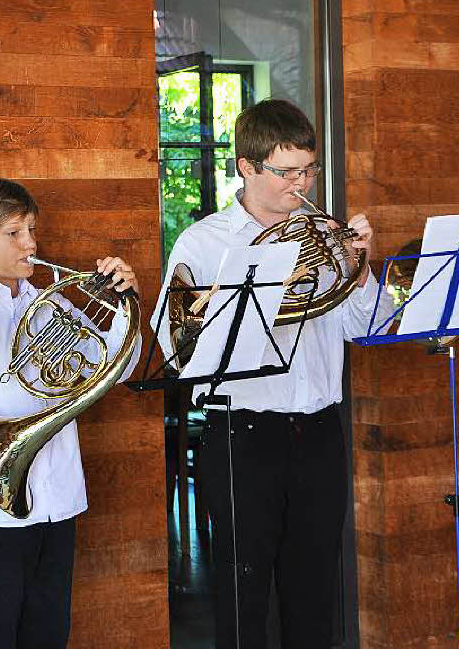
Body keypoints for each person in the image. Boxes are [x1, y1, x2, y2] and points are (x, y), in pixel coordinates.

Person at [152, 98, 391, 648]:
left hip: (320, 431)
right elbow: (174, 341)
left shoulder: (326, 235)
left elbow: (366, 327)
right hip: (243, 434)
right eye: (286, 172)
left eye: (308, 169)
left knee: (314, 592)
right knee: (244, 595)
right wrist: (219, 305)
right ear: (247, 167)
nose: (300, 183)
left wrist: (360, 268)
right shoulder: (205, 241)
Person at [0, 177, 141, 649]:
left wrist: (126, 306)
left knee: (47, 635)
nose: (31, 244)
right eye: (13, 233)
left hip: (56, 501)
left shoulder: (49, 304)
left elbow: (115, 369)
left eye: (31, 229)